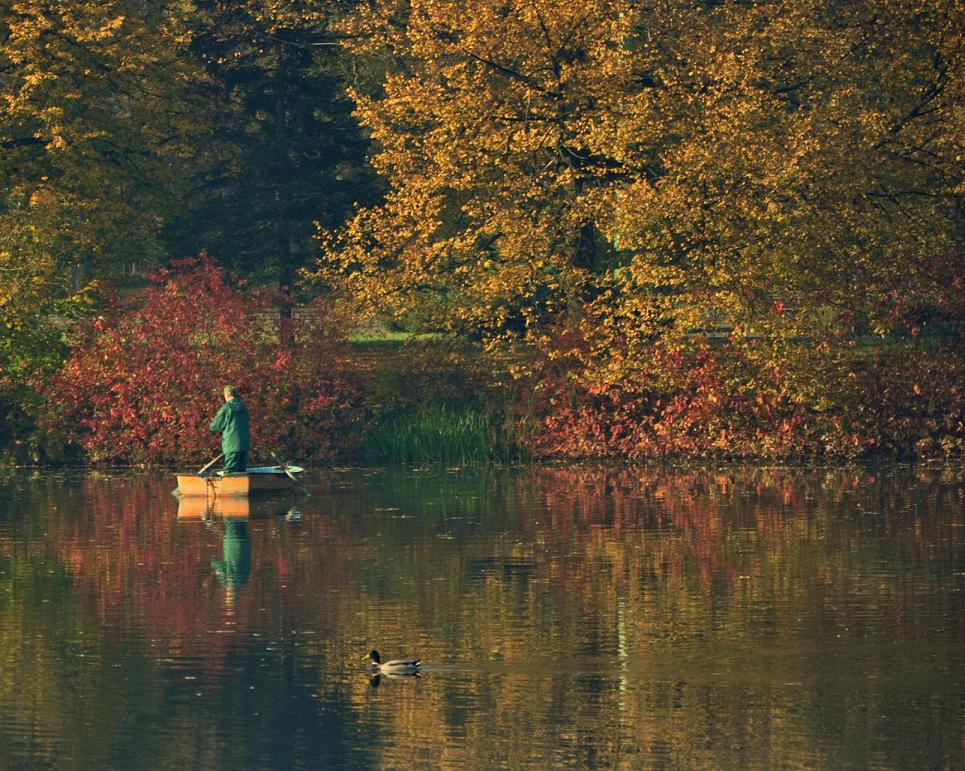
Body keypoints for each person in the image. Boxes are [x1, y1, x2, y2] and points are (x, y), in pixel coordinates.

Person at [209, 385, 250, 474]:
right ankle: (240, 487)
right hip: (244, 444)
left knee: (229, 471)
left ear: (226, 395)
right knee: (241, 472)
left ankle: (229, 487)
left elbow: (214, 426)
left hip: (231, 444)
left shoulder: (226, 408)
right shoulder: (244, 407)